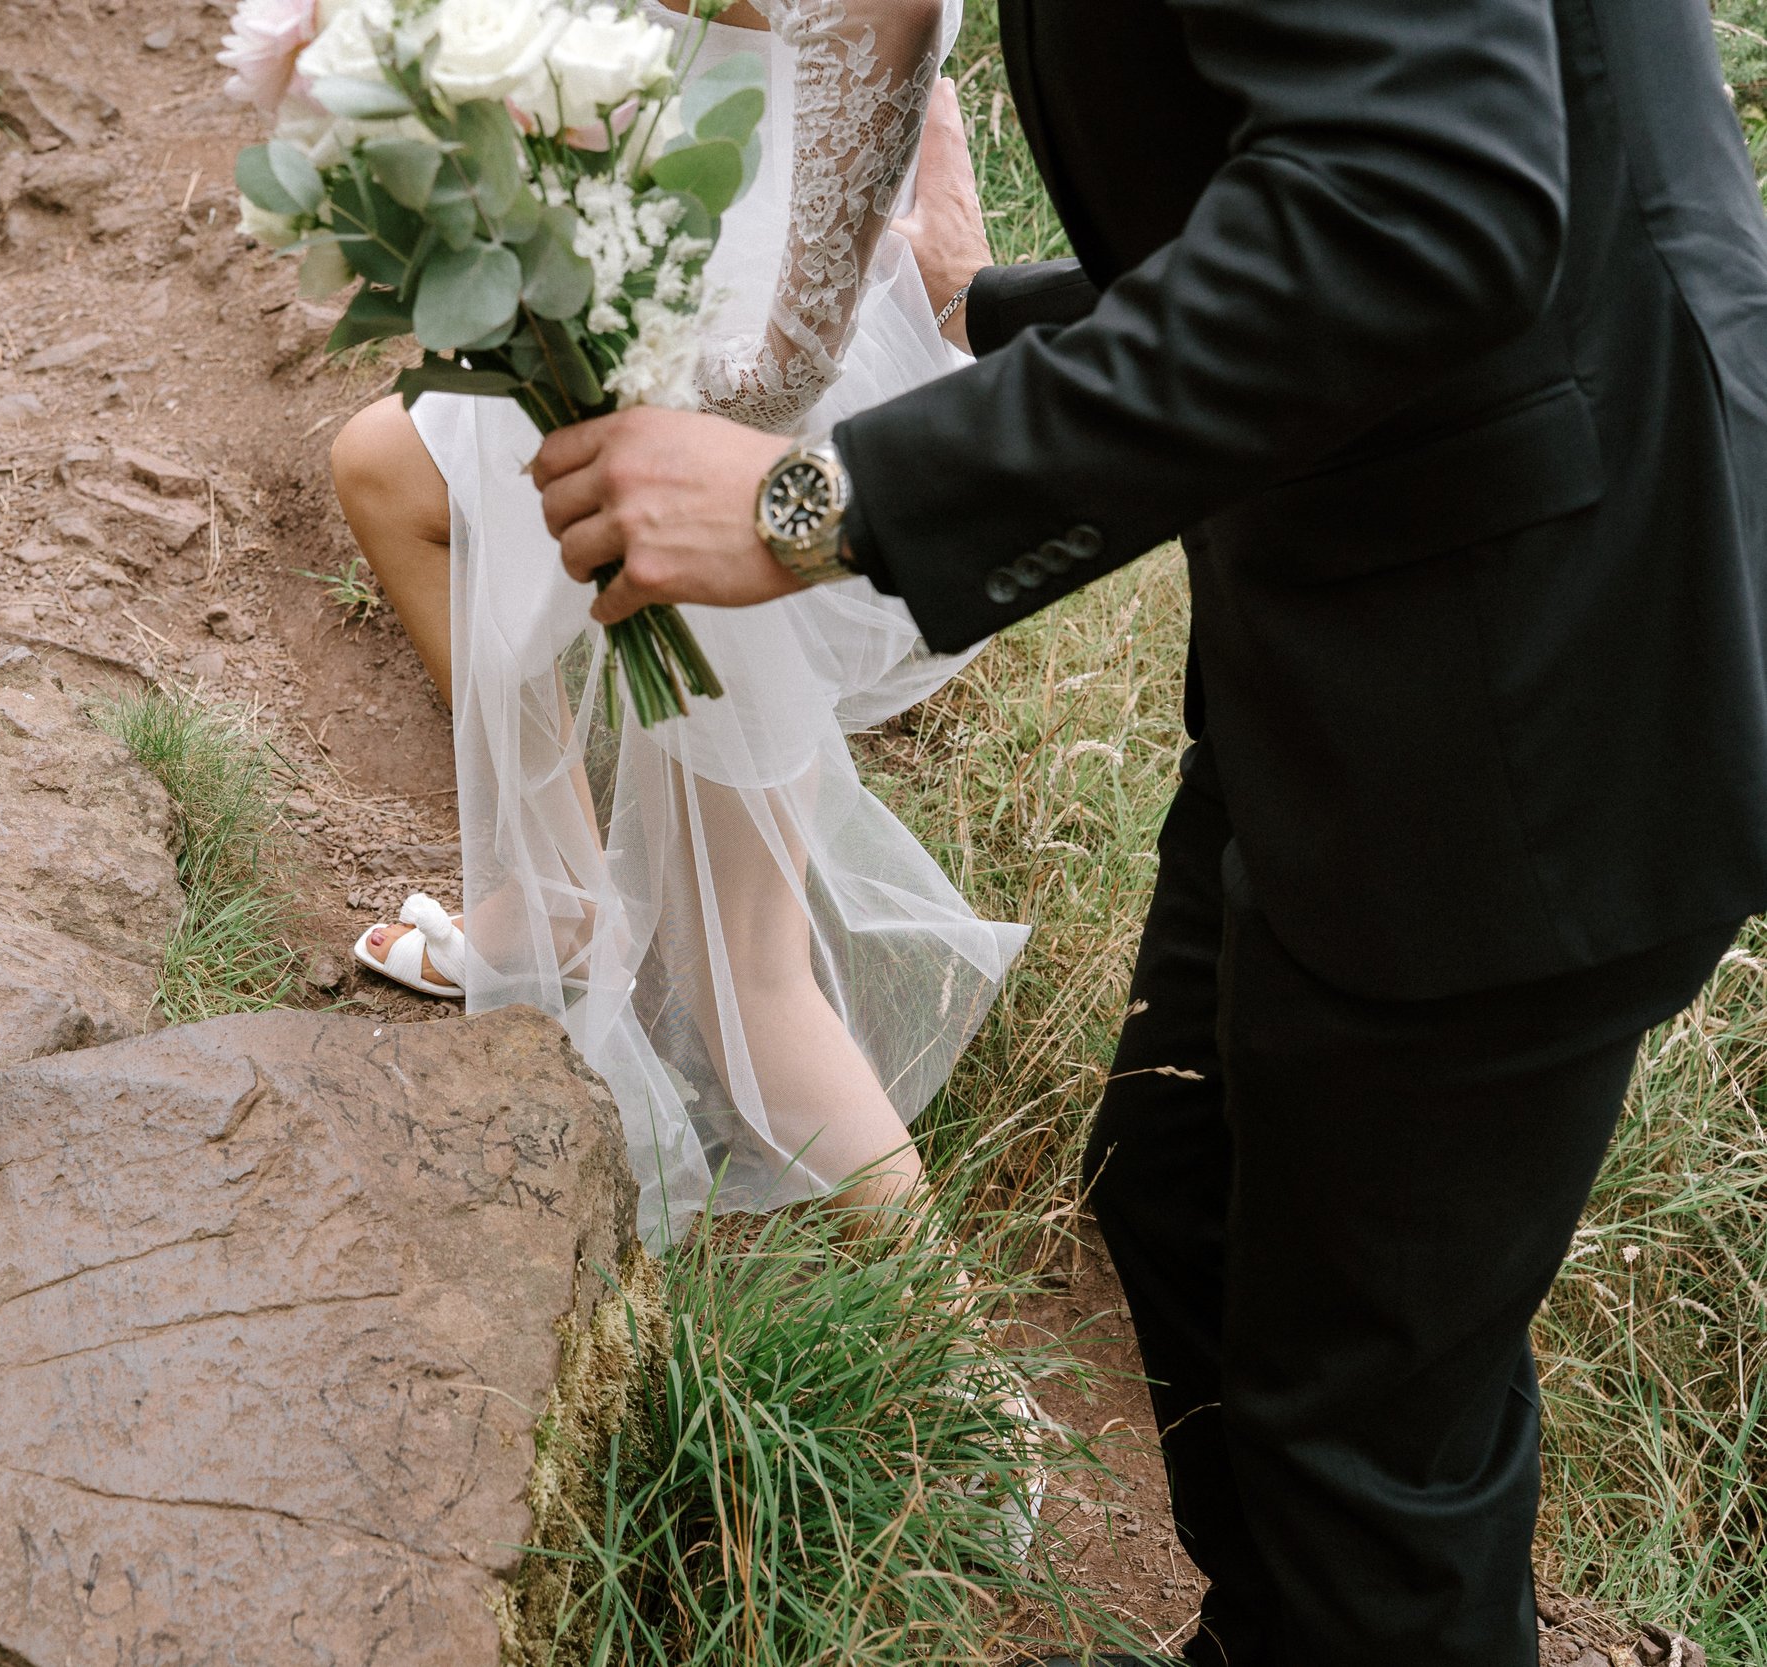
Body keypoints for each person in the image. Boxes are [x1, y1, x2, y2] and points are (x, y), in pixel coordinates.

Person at [529, 0, 1767, 1661]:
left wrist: (817, 504)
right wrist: (994, 317)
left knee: (1366, 1448)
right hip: (1391, 611)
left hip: (1535, 674)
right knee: (1184, 1185)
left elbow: (1415, 206)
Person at [327, 0, 1030, 1241]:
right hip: (632, 255)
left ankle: (965, 1375)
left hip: (725, 397)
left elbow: (782, 379)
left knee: (742, 969)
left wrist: (585, 360)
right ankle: (553, 896)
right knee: (388, 471)